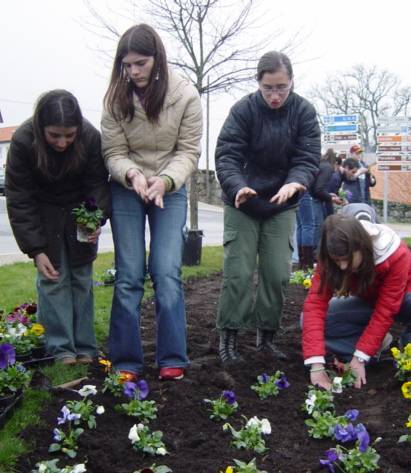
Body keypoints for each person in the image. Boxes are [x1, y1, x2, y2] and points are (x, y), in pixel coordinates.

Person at [101, 24, 202, 381]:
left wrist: (165, 180)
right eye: (127, 65)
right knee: (129, 274)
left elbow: (188, 151)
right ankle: (126, 361)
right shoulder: (115, 98)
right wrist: (132, 175)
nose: (133, 72)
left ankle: (172, 357)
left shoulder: (186, 96)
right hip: (127, 188)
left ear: (157, 58)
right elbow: (112, 151)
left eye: (140, 63)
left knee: (165, 271)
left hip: (169, 191)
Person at [215, 50, 320, 364]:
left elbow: (308, 157)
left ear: (291, 82)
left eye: (281, 88)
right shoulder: (243, 111)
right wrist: (237, 185)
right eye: (268, 88)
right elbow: (227, 155)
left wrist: (296, 181)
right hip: (242, 201)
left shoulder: (302, 112)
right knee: (239, 272)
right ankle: (229, 339)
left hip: (282, 203)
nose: (275, 95)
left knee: (276, 273)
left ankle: (266, 338)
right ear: (258, 83)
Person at [5, 90, 111, 365]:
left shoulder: (89, 137)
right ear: (41, 129)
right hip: (43, 211)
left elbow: (97, 184)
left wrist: (94, 218)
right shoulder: (23, 140)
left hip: (80, 209)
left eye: (69, 135)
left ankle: (85, 346)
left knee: (81, 277)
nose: (62, 142)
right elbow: (20, 198)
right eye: (55, 136)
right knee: (53, 278)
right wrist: (36, 249)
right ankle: (61, 347)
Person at [302, 214, 411, 390]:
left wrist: (360, 358)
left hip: (404, 300)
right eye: (337, 260)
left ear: (362, 246)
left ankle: (404, 345)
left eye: (347, 258)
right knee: (308, 321)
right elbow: (315, 305)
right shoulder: (330, 256)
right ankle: (379, 345)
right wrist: (316, 365)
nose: (343, 266)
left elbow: (386, 310)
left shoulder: (395, 253)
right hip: (369, 303)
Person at [310, 148, 344, 252]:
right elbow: (318, 189)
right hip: (314, 200)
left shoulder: (322, 164)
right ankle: (315, 254)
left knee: (308, 226)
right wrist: (332, 199)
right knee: (318, 226)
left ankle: (307, 256)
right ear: (336, 164)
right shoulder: (328, 168)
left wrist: (329, 194)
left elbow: (315, 187)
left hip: (308, 197)